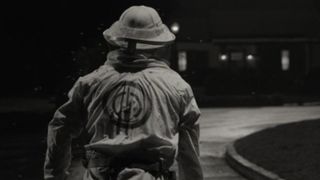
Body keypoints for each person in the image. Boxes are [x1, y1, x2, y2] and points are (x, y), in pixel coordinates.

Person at [44, 5, 203, 180]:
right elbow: (189, 153)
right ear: (159, 44)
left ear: (116, 40)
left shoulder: (90, 83)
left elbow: (60, 127)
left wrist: (55, 176)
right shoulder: (177, 86)